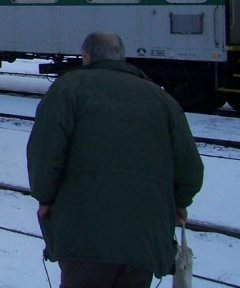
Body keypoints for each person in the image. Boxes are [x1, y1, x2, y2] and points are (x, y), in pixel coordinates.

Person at [27, 31, 204, 288]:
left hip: (84, 234)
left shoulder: (68, 88)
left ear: (87, 57)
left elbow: (45, 153)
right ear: (122, 58)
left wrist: (46, 197)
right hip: (145, 239)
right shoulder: (162, 99)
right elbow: (190, 168)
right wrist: (180, 202)